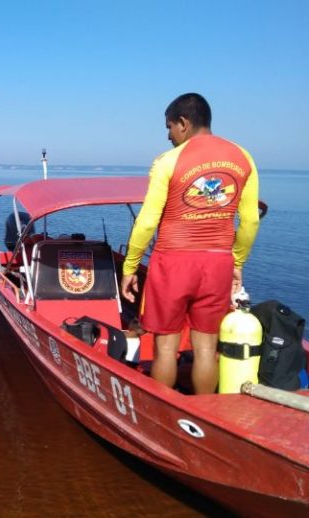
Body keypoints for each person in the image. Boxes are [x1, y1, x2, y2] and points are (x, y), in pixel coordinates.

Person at [120, 93, 260, 394]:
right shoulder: (243, 157)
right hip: (218, 261)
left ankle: (162, 411)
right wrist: (237, 262)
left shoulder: (167, 161)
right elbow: (249, 222)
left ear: (183, 123)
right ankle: (204, 410)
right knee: (207, 347)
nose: (168, 135)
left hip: (173, 261)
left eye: (169, 127)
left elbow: (146, 222)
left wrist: (130, 267)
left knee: (166, 347)